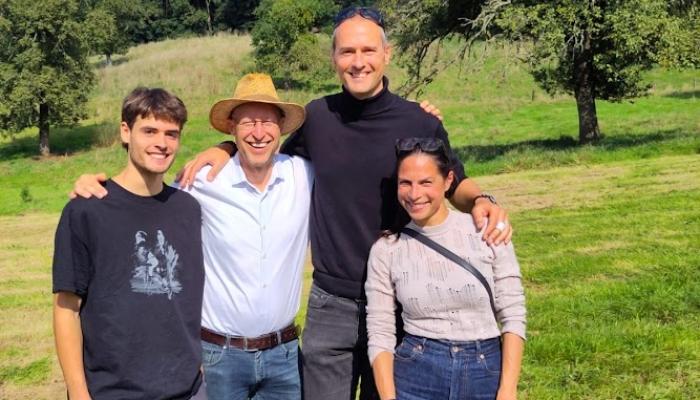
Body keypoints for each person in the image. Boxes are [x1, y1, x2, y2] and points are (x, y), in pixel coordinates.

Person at [73, 7, 513, 399]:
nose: (357, 61)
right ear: (334, 58)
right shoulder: (319, 118)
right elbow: (262, 146)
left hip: (400, 300)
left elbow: (451, 178)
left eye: (366, 50)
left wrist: (481, 200)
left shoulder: (417, 119)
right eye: (346, 52)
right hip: (331, 303)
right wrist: (223, 148)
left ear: (386, 54)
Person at [52, 87, 204, 399]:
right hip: (114, 391)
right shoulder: (87, 209)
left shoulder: (188, 209)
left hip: (187, 389)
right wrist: (80, 396)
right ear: (125, 132)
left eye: (171, 134)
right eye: (149, 131)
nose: (161, 143)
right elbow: (66, 309)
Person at [365, 137, 526, 400]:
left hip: (485, 369)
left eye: (426, 182)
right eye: (405, 183)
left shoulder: (486, 231)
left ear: (449, 180)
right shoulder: (387, 249)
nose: (415, 194)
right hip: (417, 370)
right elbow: (380, 331)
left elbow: (513, 313)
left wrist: (508, 389)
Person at [188, 73, 311, 400]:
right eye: (248, 123)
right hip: (220, 356)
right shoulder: (204, 181)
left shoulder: (302, 175)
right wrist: (97, 186)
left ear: (281, 128)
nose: (258, 133)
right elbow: (148, 200)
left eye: (267, 122)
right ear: (232, 128)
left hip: (284, 355)